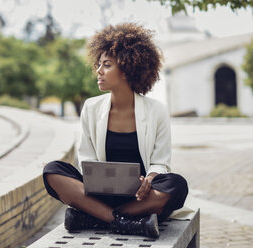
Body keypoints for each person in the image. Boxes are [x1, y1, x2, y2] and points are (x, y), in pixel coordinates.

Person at [42, 23, 188, 238]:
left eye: (107, 65)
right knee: (52, 171)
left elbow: (160, 160)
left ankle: (94, 217)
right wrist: (99, 181)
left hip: (140, 199)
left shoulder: (157, 110)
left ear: (128, 68)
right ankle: (123, 221)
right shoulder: (91, 108)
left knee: (177, 185)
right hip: (99, 195)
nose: (98, 71)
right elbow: (86, 159)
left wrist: (149, 179)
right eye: (99, 64)